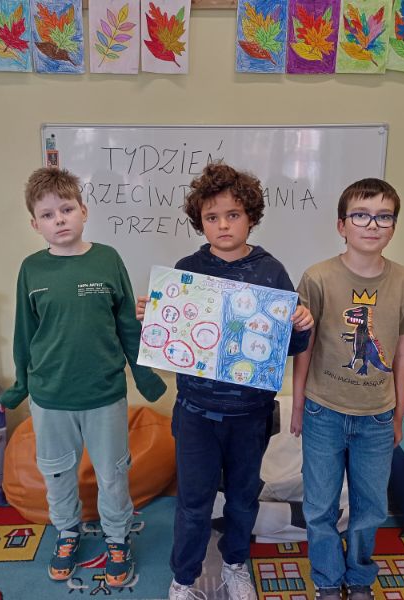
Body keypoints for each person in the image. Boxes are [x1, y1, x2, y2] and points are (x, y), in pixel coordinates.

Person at [136, 162, 314, 600]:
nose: (223, 225)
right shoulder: (187, 269)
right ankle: (183, 578)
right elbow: (173, 343)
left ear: (250, 216)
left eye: (232, 214)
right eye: (212, 217)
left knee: (242, 499)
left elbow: (287, 345)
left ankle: (235, 565)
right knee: (193, 504)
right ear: (201, 222)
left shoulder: (271, 271)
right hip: (196, 413)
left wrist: (301, 325)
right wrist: (153, 320)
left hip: (250, 416)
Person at [0, 167, 167, 586]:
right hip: (50, 397)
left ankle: (117, 538)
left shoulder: (107, 259)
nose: (59, 219)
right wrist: (20, 387)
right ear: (35, 224)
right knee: (57, 474)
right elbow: (24, 334)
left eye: (66, 209)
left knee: (113, 474)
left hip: (104, 394)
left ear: (84, 211)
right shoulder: (31, 269)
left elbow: (127, 326)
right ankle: (67, 532)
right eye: (48, 214)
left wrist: (145, 378)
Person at [291, 178, 404, 600]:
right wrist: (297, 404)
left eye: (383, 217)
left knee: (370, 507)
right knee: (319, 506)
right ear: (342, 225)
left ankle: (358, 579)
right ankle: (327, 580)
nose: (372, 225)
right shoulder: (318, 277)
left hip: (377, 417)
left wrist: (398, 414)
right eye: (361, 215)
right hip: (323, 411)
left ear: (394, 226)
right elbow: (304, 346)